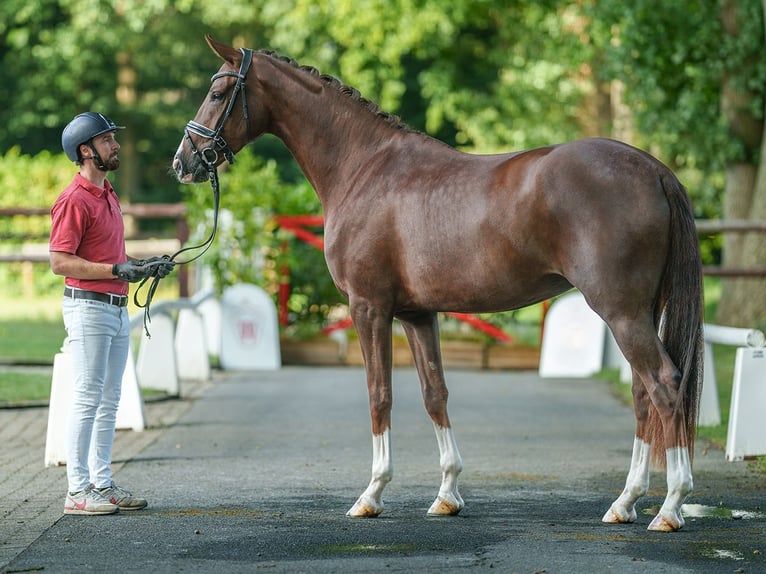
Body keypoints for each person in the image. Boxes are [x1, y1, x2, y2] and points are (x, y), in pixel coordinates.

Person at [50, 112, 174, 515]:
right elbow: (60, 262)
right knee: (87, 399)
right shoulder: (74, 200)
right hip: (88, 309)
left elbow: (112, 257)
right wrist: (116, 271)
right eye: (107, 141)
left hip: (116, 309)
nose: (116, 145)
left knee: (109, 400)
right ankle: (77, 491)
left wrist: (142, 264)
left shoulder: (108, 194)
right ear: (86, 151)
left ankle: (101, 483)